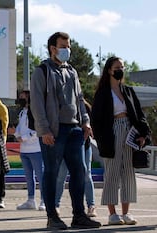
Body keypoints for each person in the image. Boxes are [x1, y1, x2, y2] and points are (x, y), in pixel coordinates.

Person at [30, 32, 101, 229]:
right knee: (51, 172)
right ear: (53, 48)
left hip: (75, 130)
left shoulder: (72, 71)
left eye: (68, 46)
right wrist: (44, 130)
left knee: (79, 172)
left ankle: (79, 215)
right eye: (63, 46)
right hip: (54, 131)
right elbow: (36, 104)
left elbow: (79, 99)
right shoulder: (42, 71)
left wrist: (85, 122)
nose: (67, 50)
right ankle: (52, 216)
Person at [92, 56, 151, 225]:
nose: (121, 70)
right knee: (112, 172)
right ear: (109, 70)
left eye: (123, 67)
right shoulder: (103, 93)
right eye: (117, 67)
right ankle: (112, 214)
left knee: (128, 173)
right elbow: (96, 118)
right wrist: (102, 138)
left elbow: (139, 114)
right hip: (112, 132)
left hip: (130, 131)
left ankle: (126, 212)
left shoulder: (128, 91)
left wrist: (143, 134)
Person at [55, 99, 97, 217]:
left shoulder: (85, 107)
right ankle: (56, 205)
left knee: (86, 175)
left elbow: (90, 125)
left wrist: (86, 133)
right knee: (61, 175)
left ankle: (91, 205)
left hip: (84, 145)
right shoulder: (63, 105)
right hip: (67, 144)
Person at [14, 90, 45, 211]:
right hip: (24, 150)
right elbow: (19, 127)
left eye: (22, 97)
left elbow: (38, 129)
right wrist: (17, 134)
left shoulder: (36, 111)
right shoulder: (22, 112)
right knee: (28, 176)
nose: (20, 99)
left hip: (36, 149)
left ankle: (44, 200)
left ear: (28, 98)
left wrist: (25, 137)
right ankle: (30, 200)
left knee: (40, 175)